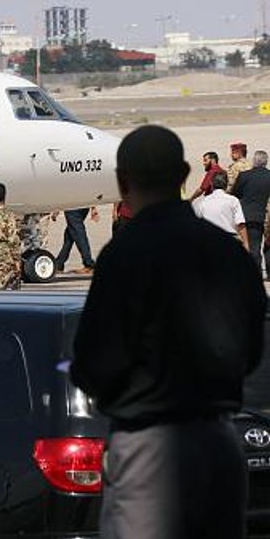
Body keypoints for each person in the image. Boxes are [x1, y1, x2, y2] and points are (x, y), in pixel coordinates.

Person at [71, 124, 266, 538]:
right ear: (182, 175)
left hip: (148, 446)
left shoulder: (122, 256)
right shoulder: (228, 254)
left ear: (123, 181)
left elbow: (92, 362)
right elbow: (251, 352)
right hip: (219, 442)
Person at [233, 149, 270, 276]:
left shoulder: (244, 175)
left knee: (244, 246)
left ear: (254, 161)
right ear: (266, 162)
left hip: (243, 216)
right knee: (256, 246)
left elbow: (235, 194)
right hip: (261, 217)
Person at [194, 172, 249, 250]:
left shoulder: (203, 202)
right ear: (226, 185)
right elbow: (240, 224)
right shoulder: (233, 200)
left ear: (211, 185)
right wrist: (246, 244)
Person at [54, 206, 98, 274]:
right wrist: (93, 207)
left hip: (72, 207)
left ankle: (89, 263)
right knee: (70, 234)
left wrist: (57, 208)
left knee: (78, 234)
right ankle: (59, 264)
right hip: (84, 207)